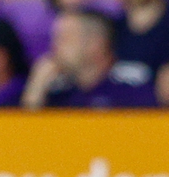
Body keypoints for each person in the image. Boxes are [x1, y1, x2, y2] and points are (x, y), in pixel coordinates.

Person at [22, 8, 158, 109]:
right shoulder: (57, 90)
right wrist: (36, 91)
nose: (54, 47)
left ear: (95, 44)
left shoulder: (132, 83)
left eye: (64, 39)